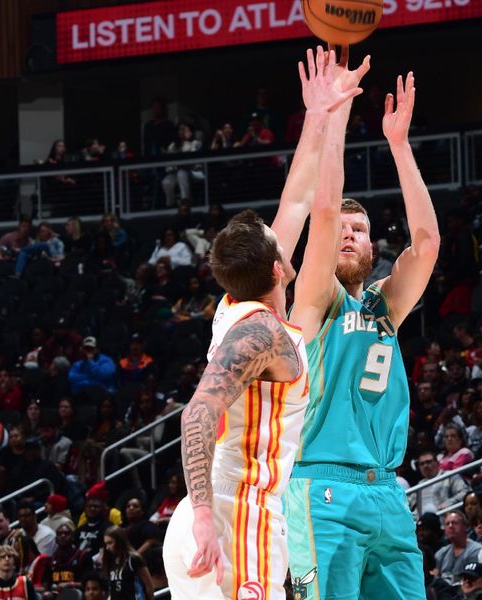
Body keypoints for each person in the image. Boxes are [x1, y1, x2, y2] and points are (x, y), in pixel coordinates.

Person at [163, 47, 363, 600]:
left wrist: (321, 112)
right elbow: (199, 410)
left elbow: (299, 200)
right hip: (235, 517)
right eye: (281, 240)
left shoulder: (245, 309)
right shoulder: (261, 333)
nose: (286, 230)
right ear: (279, 268)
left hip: (232, 512)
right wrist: (206, 515)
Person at [285, 63, 440, 599]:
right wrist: (334, 118)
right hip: (321, 487)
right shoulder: (313, 301)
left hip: (388, 493)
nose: (349, 234)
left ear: (374, 249)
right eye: (344, 231)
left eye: (362, 230)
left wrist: (398, 144)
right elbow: (323, 212)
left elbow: (427, 246)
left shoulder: (384, 307)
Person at [102, 526, 154, 600]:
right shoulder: (111, 561)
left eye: (110, 543)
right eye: (106, 544)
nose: (107, 547)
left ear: (119, 541)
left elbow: (149, 586)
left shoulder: (134, 559)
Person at [435, 511, 482, 584]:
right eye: (447, 524)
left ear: (465, 527)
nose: (450, 526)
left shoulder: (476, 550)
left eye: (454, 523)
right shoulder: (441, 553)